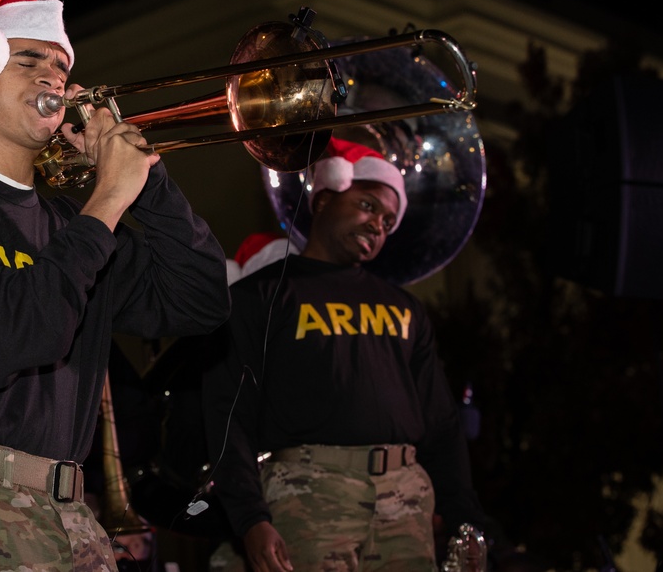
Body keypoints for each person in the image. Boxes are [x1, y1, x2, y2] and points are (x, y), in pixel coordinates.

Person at [0, 0, 231, 571]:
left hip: (71, 514)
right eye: (29, 60)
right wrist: (107, 203)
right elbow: (10, 339)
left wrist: (148, 182)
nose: (54, 78)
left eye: (62, 67)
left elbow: (201, 298)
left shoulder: (69, 223)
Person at [201, 137, 490, 571]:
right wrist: (250, 518)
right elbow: (227, 413)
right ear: (324, 198)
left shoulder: (406, 308)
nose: (379, 225)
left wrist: (465, 518)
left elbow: (442, 423)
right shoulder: (260, 295)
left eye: (389, 222)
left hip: (407, 502)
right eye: (369, 206)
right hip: (307, 494)